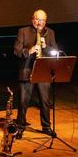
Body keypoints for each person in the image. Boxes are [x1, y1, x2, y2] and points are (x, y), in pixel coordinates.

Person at [13, 9, 58, 137]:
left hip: (43, 72)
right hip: (27, 71)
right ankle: (20, 127)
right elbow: (17, 51)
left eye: (43, 20)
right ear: (32, 19)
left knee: (45, 101)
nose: (40, 22)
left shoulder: (50, 33)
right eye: (38, 19)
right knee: (23, 102)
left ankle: (46, 127)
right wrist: (29, 50)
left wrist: (45, 47)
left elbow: (55, 50)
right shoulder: (23, 31)